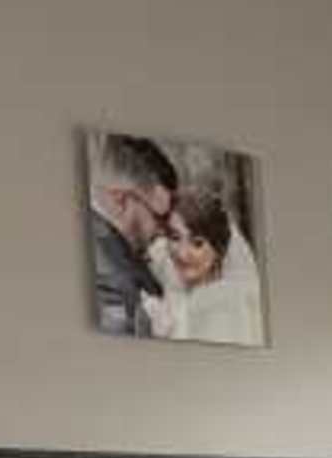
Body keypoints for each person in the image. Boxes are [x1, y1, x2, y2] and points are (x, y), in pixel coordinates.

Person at [88, 132, 176, 337]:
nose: (164, 230)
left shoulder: (118, 251)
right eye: (159, 217)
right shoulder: (109, 276)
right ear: (120, 200)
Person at [163, 195, 265, 346]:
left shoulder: (228, 304)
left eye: (197, 243)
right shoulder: (171, 292)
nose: (182, 254)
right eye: (175, 238)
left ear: (219, 250)